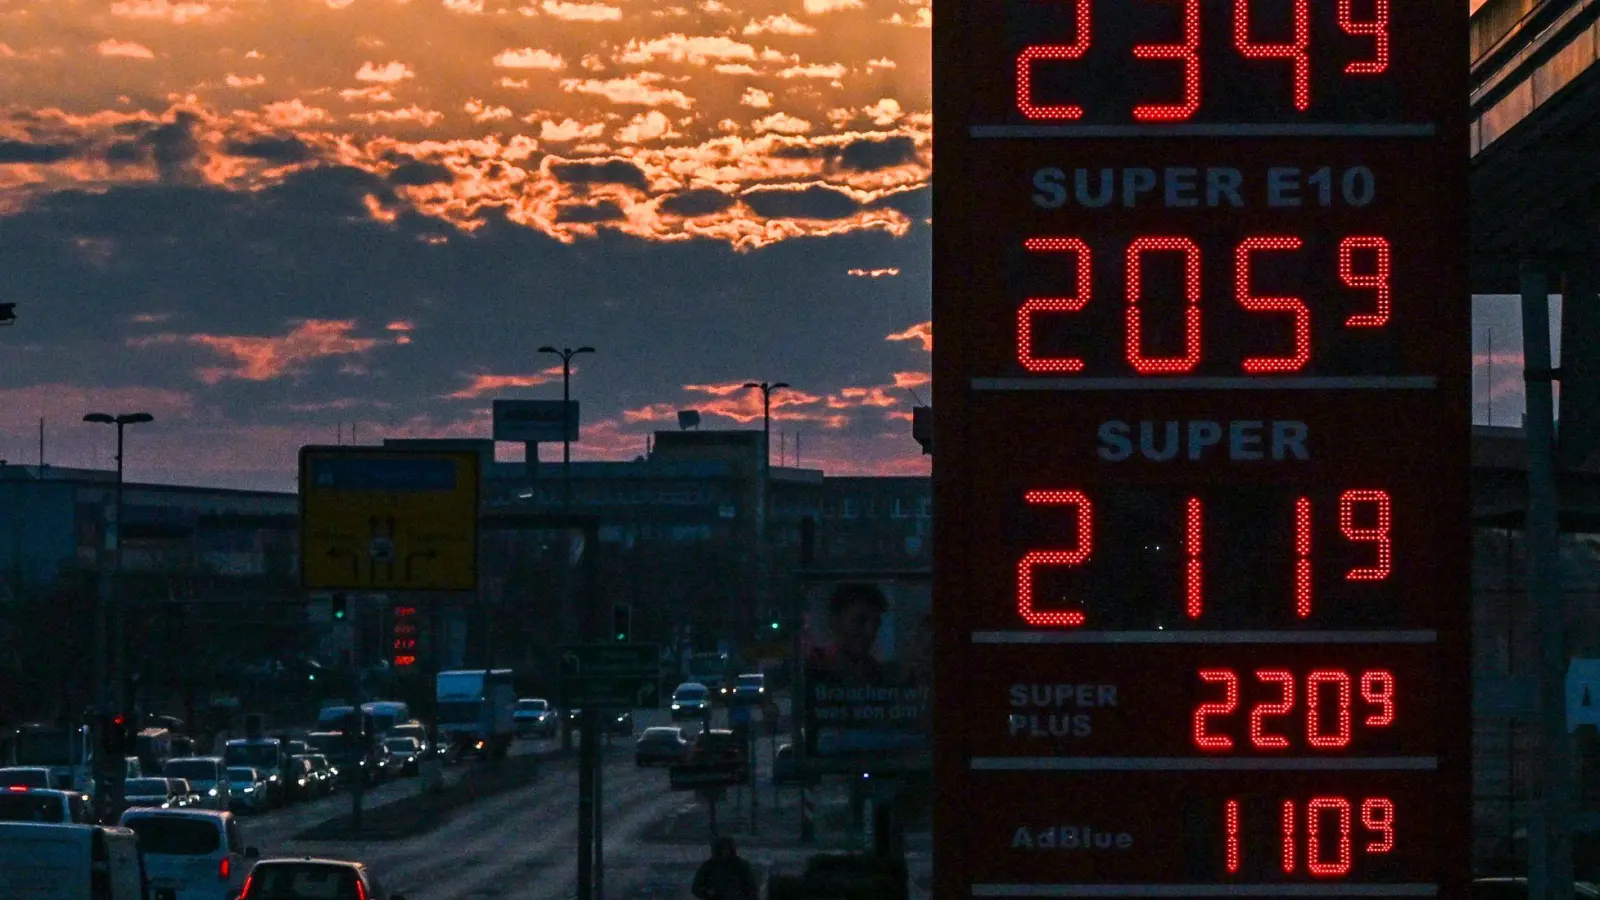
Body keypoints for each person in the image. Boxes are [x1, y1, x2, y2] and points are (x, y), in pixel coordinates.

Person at [809, 582, 888, 683]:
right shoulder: (810, 671)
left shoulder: (878, 676)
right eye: (860, 621)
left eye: (876, 622)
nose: (870, 630)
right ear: (835, 622)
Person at [691, 835, 759, 900]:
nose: (725, 852)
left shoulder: (740, 866)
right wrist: (707, 892)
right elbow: (696, 888)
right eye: (722, 849)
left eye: (727, 849)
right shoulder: (708, 867)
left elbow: (751, 888)